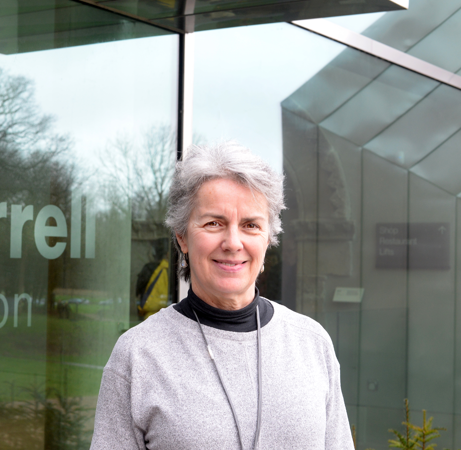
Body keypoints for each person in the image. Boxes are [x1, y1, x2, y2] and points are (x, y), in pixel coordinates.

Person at [90, 142, 354, 449]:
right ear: (182, 238)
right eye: (214, 223)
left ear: (268, 239)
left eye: (250, 225)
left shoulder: (311, 344)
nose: (233, 242)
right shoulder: (139, 354)